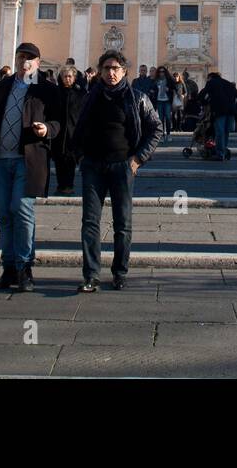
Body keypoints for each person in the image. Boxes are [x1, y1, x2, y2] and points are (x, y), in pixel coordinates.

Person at [0, 43, 62, 292]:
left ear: (38, 62)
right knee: (3, 213)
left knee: (21, 210)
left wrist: (47, 130)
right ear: (15, 59)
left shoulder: (46, 90)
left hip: (28, 159)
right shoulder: (2, 87)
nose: (26, 62)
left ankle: (25, 267)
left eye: (31, 58)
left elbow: (58, 122)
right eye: (22, 57)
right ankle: (8, 266)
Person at [71, 49, 161, 291]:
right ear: (100, 72)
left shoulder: (137, 98)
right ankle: (91, 275)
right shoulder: (90, 97)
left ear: (124, 72)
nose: (111, 73)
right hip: (92, 165)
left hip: (122, 166)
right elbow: (77, 126)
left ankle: (119, 272)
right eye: (107, 68)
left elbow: (156, 129)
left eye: (116, 69)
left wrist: (138, 160)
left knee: (122, 223)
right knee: (90, 221)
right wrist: (79, 155)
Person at [49, 65, 86, 195]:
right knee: (59, 159)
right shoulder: (55, 92)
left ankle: (69, 185)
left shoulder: (80, 93)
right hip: (58, 132)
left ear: (74, 77)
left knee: (70, 160)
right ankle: (60, 185)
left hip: (73, 131)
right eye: (65, 76)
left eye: (70, 76)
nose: (67, 79)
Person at [198, 69, 237, 161]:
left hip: (219, 110)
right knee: (226, 132)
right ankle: (223, 151)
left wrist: (204, 102)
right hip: (231, 111)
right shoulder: (229, 84)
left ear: (210, 77)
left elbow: (203, 94)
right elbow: (236, 97)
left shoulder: (211, 82)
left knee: (219, 132)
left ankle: (220, 154)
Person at [153, 65, 175, 137]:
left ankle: (168, 134)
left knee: (168, 118)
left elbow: (174, 89)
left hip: (167, 101)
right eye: (160, 72)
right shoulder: (156, 81)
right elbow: (154, 89)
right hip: (159, 101)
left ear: (165, 72)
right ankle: (162, 134)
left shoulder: (169, 80)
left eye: (163, 71)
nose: (161, 73)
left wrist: (169, 90)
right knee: (161, 118)